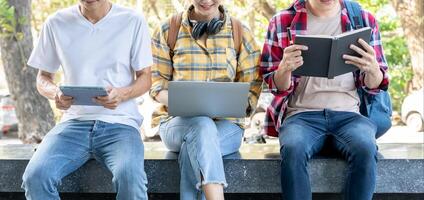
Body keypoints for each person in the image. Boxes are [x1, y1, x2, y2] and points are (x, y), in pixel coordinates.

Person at [21, 0, 153, 199]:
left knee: (131, 177)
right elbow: (43, 78)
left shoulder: (133, 21)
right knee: (36, 176)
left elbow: (146, 78)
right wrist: (55, 92)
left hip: (121, 123)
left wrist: (122, 94)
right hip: (73, 123)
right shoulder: (56, 22)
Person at [260, 0, 389, 199]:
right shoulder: (281, 21)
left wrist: (373, 69)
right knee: (293, 149)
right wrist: (284, 69)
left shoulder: (363, 19)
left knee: (366, 147)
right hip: (301, 115)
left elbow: (375, 86)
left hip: (350, 114)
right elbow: (274, 85)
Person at [150, 0, 262, 199]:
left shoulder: (240, 32)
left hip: (227, 126)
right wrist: (188, 104)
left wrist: (224, 106)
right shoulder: (168, 29)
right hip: (176, 123)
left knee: (194, 144)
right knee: (201, 125)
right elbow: (156, 84)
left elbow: (252, 89)